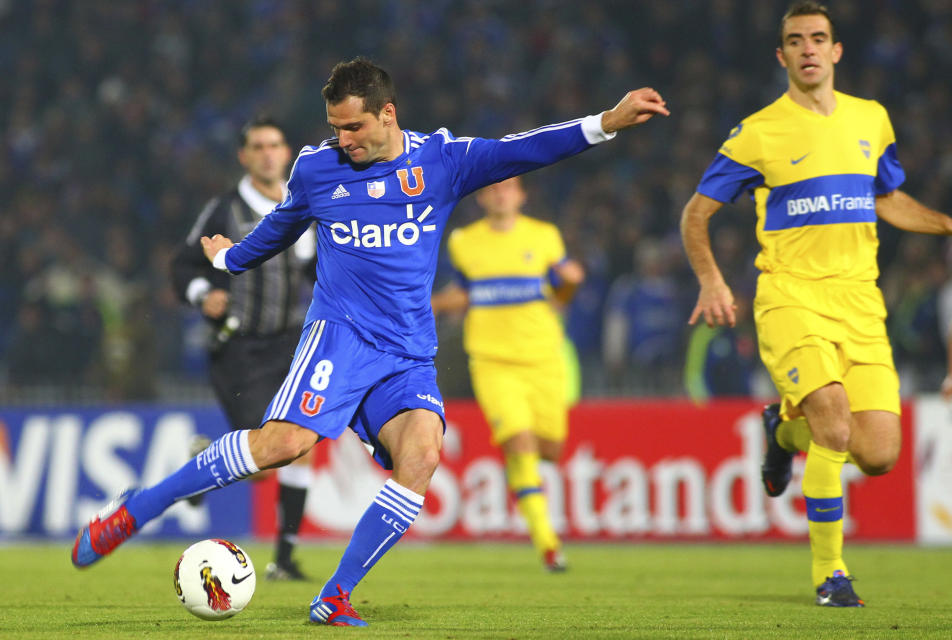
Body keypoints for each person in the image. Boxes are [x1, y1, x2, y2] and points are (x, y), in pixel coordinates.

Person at [71, 57, 668, 626]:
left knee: (423, 453)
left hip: (408, 353)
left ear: (388, 113)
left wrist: (604, 123)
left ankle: (335, 596)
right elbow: (279, 227)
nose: (343, 139)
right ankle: (135, 509)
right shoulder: (317, 167)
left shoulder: (443, 161)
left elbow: (524, 148)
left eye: (353, 126)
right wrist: (230, 259)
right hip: (340, 338)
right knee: (281, 446)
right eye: (335, 127)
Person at [680, 1, 952, 608]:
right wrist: (711, 280)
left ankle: (783, 433)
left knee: (878, 453)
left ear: (836, 52)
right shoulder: (759, 132)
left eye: (819, 38)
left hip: (860, 301)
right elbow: (696, 214)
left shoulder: (871, 120)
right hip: (790, 297)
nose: (808, 48)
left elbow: (889, 198)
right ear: (782, 56)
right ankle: (830, 575)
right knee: (833, 420)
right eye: (796, 40)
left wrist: (947, 224)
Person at [169, 116, 316, 581]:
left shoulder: (304, 204)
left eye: (276, 144)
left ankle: (286, 558)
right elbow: (183, 265)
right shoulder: (224, 210)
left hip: (292, 343)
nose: (269, 153)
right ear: (245, 156)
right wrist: (201, 294)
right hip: (240, 349)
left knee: (300, 443)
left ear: (287, 152)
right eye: (259, 146)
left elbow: (314, 271)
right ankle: (207, 457)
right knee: (263, 456)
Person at [431, 175, 584, 572]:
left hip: (543, 358)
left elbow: (560, 293)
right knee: (519, 442)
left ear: (521, 195)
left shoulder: (545, 236)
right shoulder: (464, 242)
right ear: (482, 197)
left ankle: (519, 467)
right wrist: (428, 305)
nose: (500, 193)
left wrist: (570, 285)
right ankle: (548, 544)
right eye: (493, 188)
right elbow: (465, 293)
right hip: (492, 360)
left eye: (508, 187)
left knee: (548, 449)